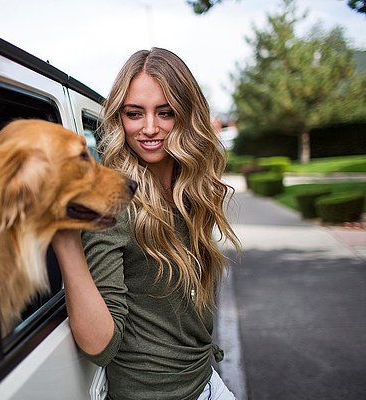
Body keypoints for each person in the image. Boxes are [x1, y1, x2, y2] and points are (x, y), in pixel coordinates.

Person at [51, 48, 241, 399]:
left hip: (205, 380)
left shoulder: (191, 190)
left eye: (165, 112)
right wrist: (64, 237)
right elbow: (99, 346)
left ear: (186, 116)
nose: (150, 128)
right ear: (119, 118)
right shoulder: (114, 204)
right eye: (134, 113)